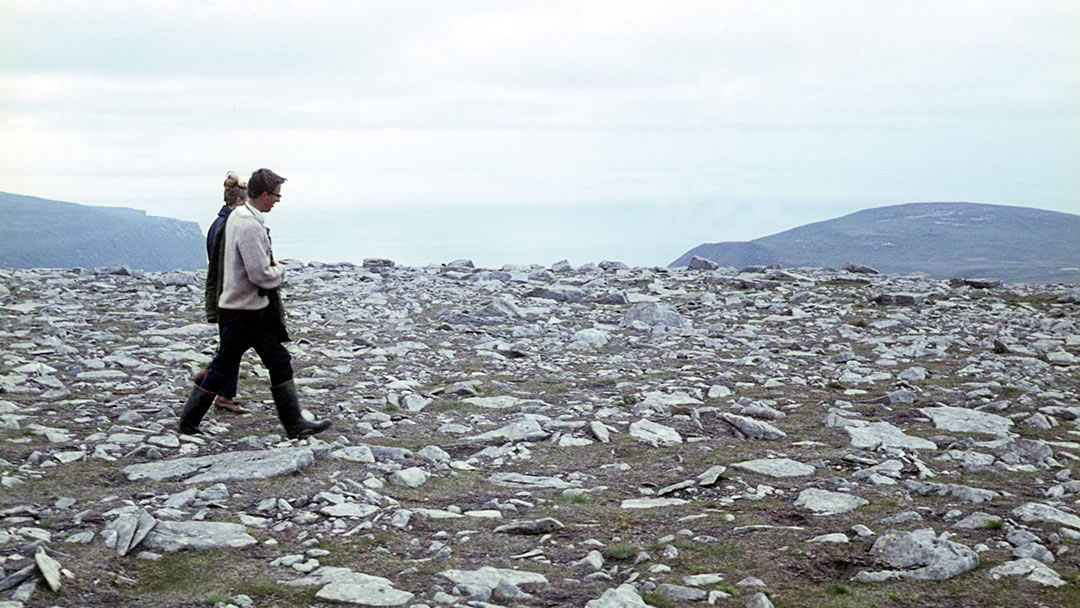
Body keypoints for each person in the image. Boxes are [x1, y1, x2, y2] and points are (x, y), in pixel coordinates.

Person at [179, 168, 332, 439]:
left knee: (278, 359)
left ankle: (295, 424)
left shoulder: (238, 216)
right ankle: (188, 424)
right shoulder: (249, 225)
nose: (277, 201)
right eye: (276, 196)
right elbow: (259, 274)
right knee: (222, 368)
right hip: (243, 311)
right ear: (264, 195)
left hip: (246, 308)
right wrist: (280, 270)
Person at [193, 172, 250, 414]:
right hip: (232, 296)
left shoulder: (217, 224)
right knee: (233, 346)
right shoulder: (228, 227)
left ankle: (212, 378)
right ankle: (220, 392)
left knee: (233, 344)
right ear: (239, 201)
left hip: (224, 294)